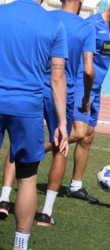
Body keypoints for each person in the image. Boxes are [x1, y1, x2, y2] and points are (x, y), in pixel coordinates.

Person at [0, 0, 96, 226]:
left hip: (24, 91)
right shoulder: (74, 26)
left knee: (16, 147)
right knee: (51, 156)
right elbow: (77, 72)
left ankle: (4, 198)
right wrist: (76, 108)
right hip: (49, 96)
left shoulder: (41, 16)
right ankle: (45, 213)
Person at [0, 0, 68, 248]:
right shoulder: (54, 24)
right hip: (28, 107)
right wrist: (60, 123)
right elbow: (57, 77)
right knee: (27, 177)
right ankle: (20, 245)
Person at [65, 0, 110, 203]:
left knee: (88, 137)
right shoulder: (91, 26)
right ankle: (34, 151)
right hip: (81, 85)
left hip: (97, 88)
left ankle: (75, 186)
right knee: (78, 133)